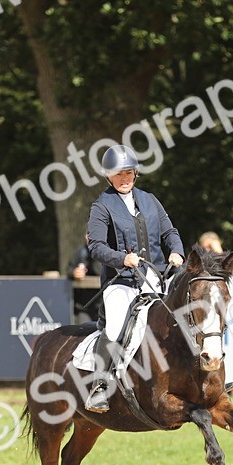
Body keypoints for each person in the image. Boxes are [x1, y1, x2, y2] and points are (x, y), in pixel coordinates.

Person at [84, 144, 185, 412]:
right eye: (119, 174)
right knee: (117, 327)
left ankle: (199, 378)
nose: (125, 178)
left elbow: (169, 232)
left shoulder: (150, 200)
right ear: (108, 176)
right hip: (121, 281)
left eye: (129, 173)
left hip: (154, 278)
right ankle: (99, 386)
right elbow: (95, 246)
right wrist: (121, 258)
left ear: (135, 173)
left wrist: (176, 251)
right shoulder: (101, 206)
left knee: (184, 319)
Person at [66, 238, 103, 322]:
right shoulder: (80, 253)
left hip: (103, 306)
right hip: (83, 307)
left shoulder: (106, 253)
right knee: (83, 332)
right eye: (88, 235)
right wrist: (74, 273)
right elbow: (69, 270)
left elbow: (99, 270)